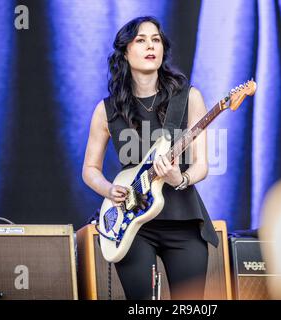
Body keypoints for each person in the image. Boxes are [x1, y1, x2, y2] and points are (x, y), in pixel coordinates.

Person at [82, 16, 218, 300]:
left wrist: (179, 179)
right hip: (132, 224)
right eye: (140, 40)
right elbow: (90, 169)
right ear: (125, 52)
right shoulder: (106, 110)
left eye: (155, 39)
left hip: (183, 219)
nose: (150, 46)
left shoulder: (188, 98)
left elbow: (202, 165)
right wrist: (109, 189)